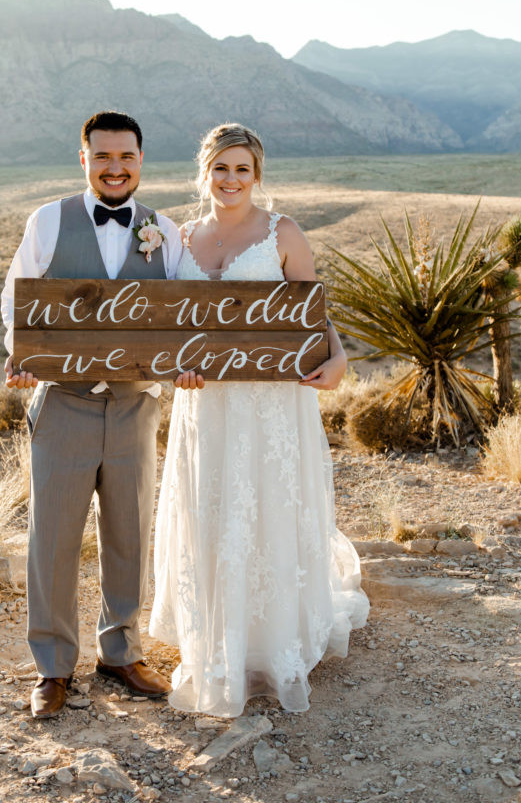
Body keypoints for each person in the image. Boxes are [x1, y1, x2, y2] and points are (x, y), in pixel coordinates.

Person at [150, 123, 369, 718]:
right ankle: (215, 641)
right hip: (209, 404)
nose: (231, 179)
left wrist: (340, 356)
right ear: (204, 172)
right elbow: (166, 327)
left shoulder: (283, 232)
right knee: (213, 508)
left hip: (271, 404)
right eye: (221, 168)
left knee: (267, 504)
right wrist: (174, 370)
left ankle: (275, 642)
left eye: (242, 169)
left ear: (257, 176)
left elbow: (312, 310)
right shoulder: (180, 238)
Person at [1, 111, 186, 719]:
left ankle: (121, 653)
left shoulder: (166, 231)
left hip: (135, 406)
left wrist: (179, 365)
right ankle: (53, 668)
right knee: (52, 538)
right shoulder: (49, 220)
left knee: (129, 533)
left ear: (140, 160)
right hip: (63, 404)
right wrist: (24, 356)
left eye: (126, 157)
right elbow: (16, 300)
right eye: (103, 157)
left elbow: (186, 312)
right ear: (84, 159)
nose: (115, 168)